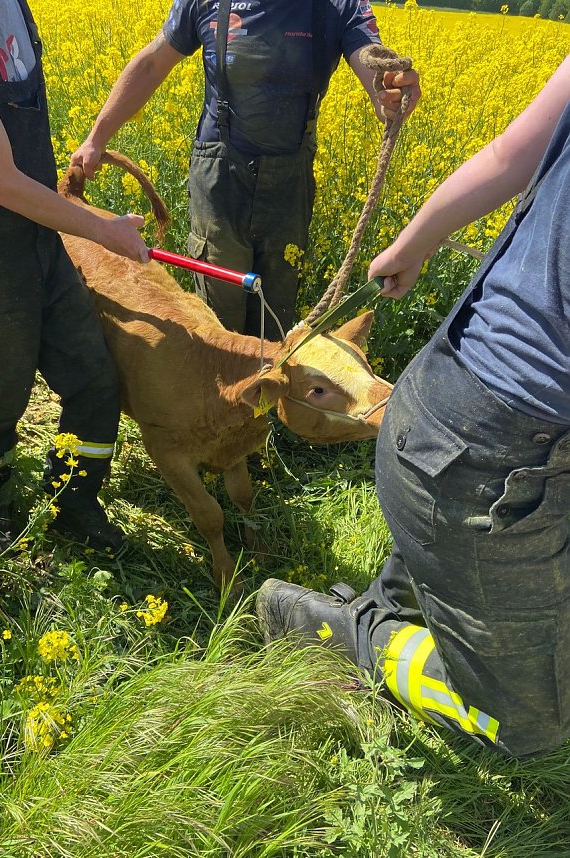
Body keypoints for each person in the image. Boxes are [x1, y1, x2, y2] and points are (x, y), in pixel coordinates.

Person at [256, 56, 570, 759]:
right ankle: (347, 635)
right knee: (531, 729)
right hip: (497, 450)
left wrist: (414, 241)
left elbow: (506, 153)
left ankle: (428, 586)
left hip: (460, 403)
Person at [0, 0, 151, 553]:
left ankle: (73, 503)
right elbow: (1, 182)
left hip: (36, 234)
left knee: (94, 379)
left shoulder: (13, 5)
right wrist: (102, 231)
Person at [70, 0, 420, 341]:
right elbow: (151, 64)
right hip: (219, 179)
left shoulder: (337, 5)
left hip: (289, 184)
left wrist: (387, 91)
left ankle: (263, 400)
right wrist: (96, 138)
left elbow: (372, 60)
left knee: (274, 322)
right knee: (219, 330)